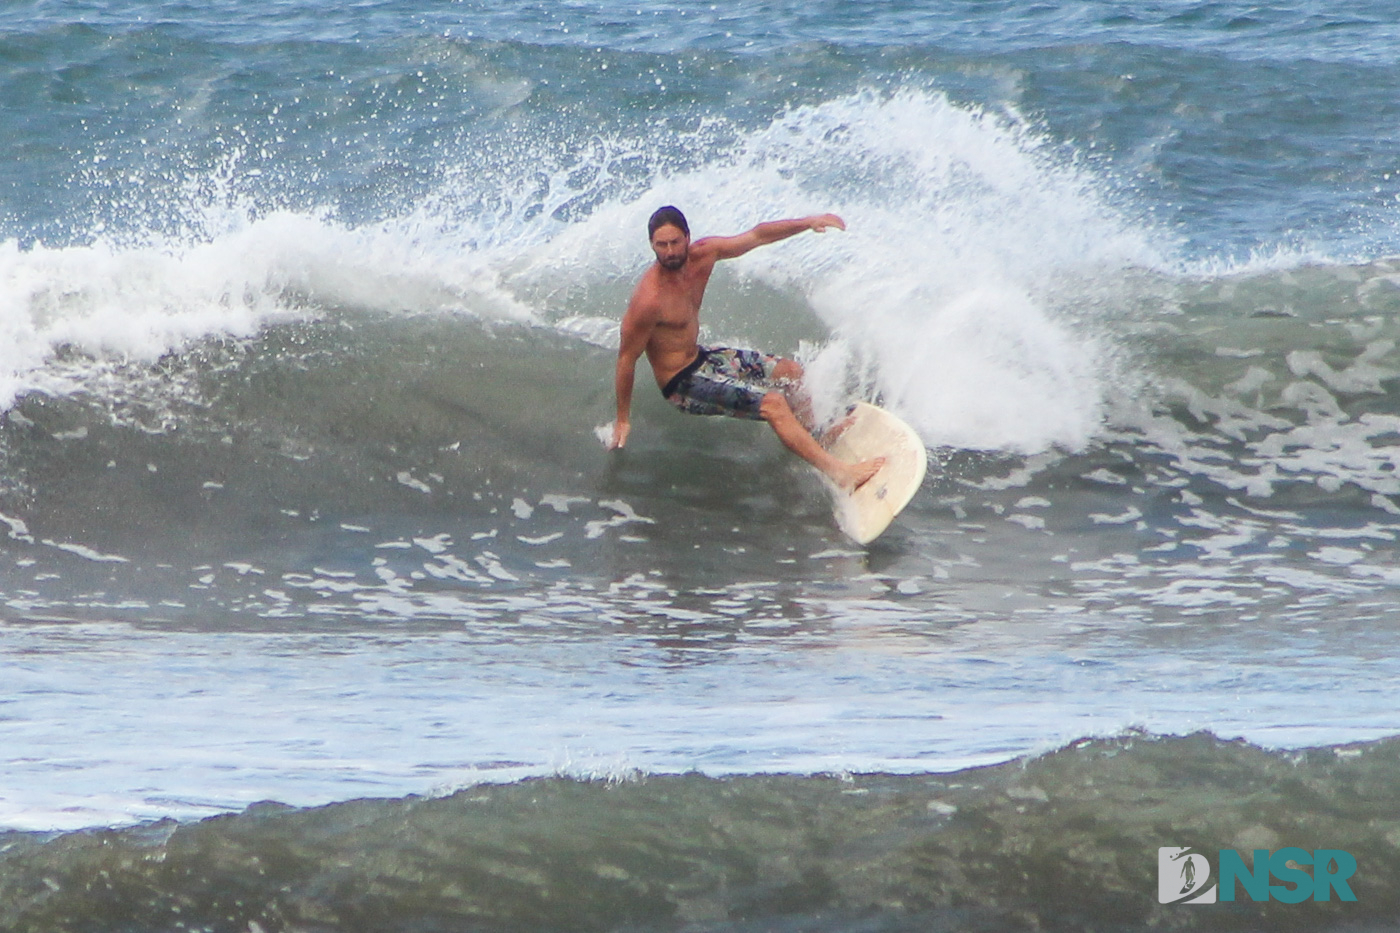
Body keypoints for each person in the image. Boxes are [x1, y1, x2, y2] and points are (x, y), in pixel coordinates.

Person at [608, 205, 884, 491]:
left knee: (791, 372)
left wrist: (808, 222)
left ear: (688, 237)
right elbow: (626, 358)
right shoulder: (649, 300)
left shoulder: (705, 254)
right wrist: (622, 419)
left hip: (701, 357)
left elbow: (758, 235)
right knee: (774, 404)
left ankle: (816, 438)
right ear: (651, 245)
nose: (669, 251)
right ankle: (841, 474)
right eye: (661, 245)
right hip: (681, 384)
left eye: (675, 242)